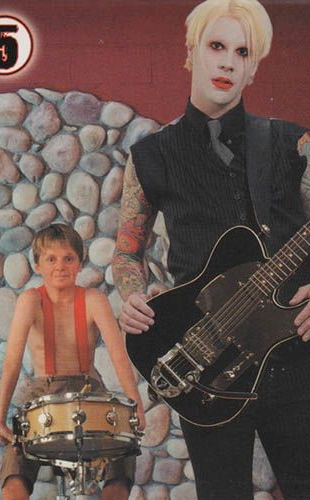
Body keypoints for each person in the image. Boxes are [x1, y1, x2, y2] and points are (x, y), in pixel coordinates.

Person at [112, 0, 310, 499]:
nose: (228, 63)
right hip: (205, 362)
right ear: (191, 51)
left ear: (253, 68)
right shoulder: (152, 155)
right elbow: (127, 253)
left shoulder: (292, 143)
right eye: (216, 46)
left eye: (242, 53)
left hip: (294, 356)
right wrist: (131, 295)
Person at [0, 223, 146, 500]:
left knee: (123, 454)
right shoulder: (30, 300)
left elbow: (118, 355)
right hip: (43, 392)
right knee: (14, 470)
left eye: (68, 258)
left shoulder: (93, 299)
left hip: (90, 391)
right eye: (51, 259)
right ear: (37, 265)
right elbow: (12, 362)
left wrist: (136, 407)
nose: (60, 266)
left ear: (79, 262)